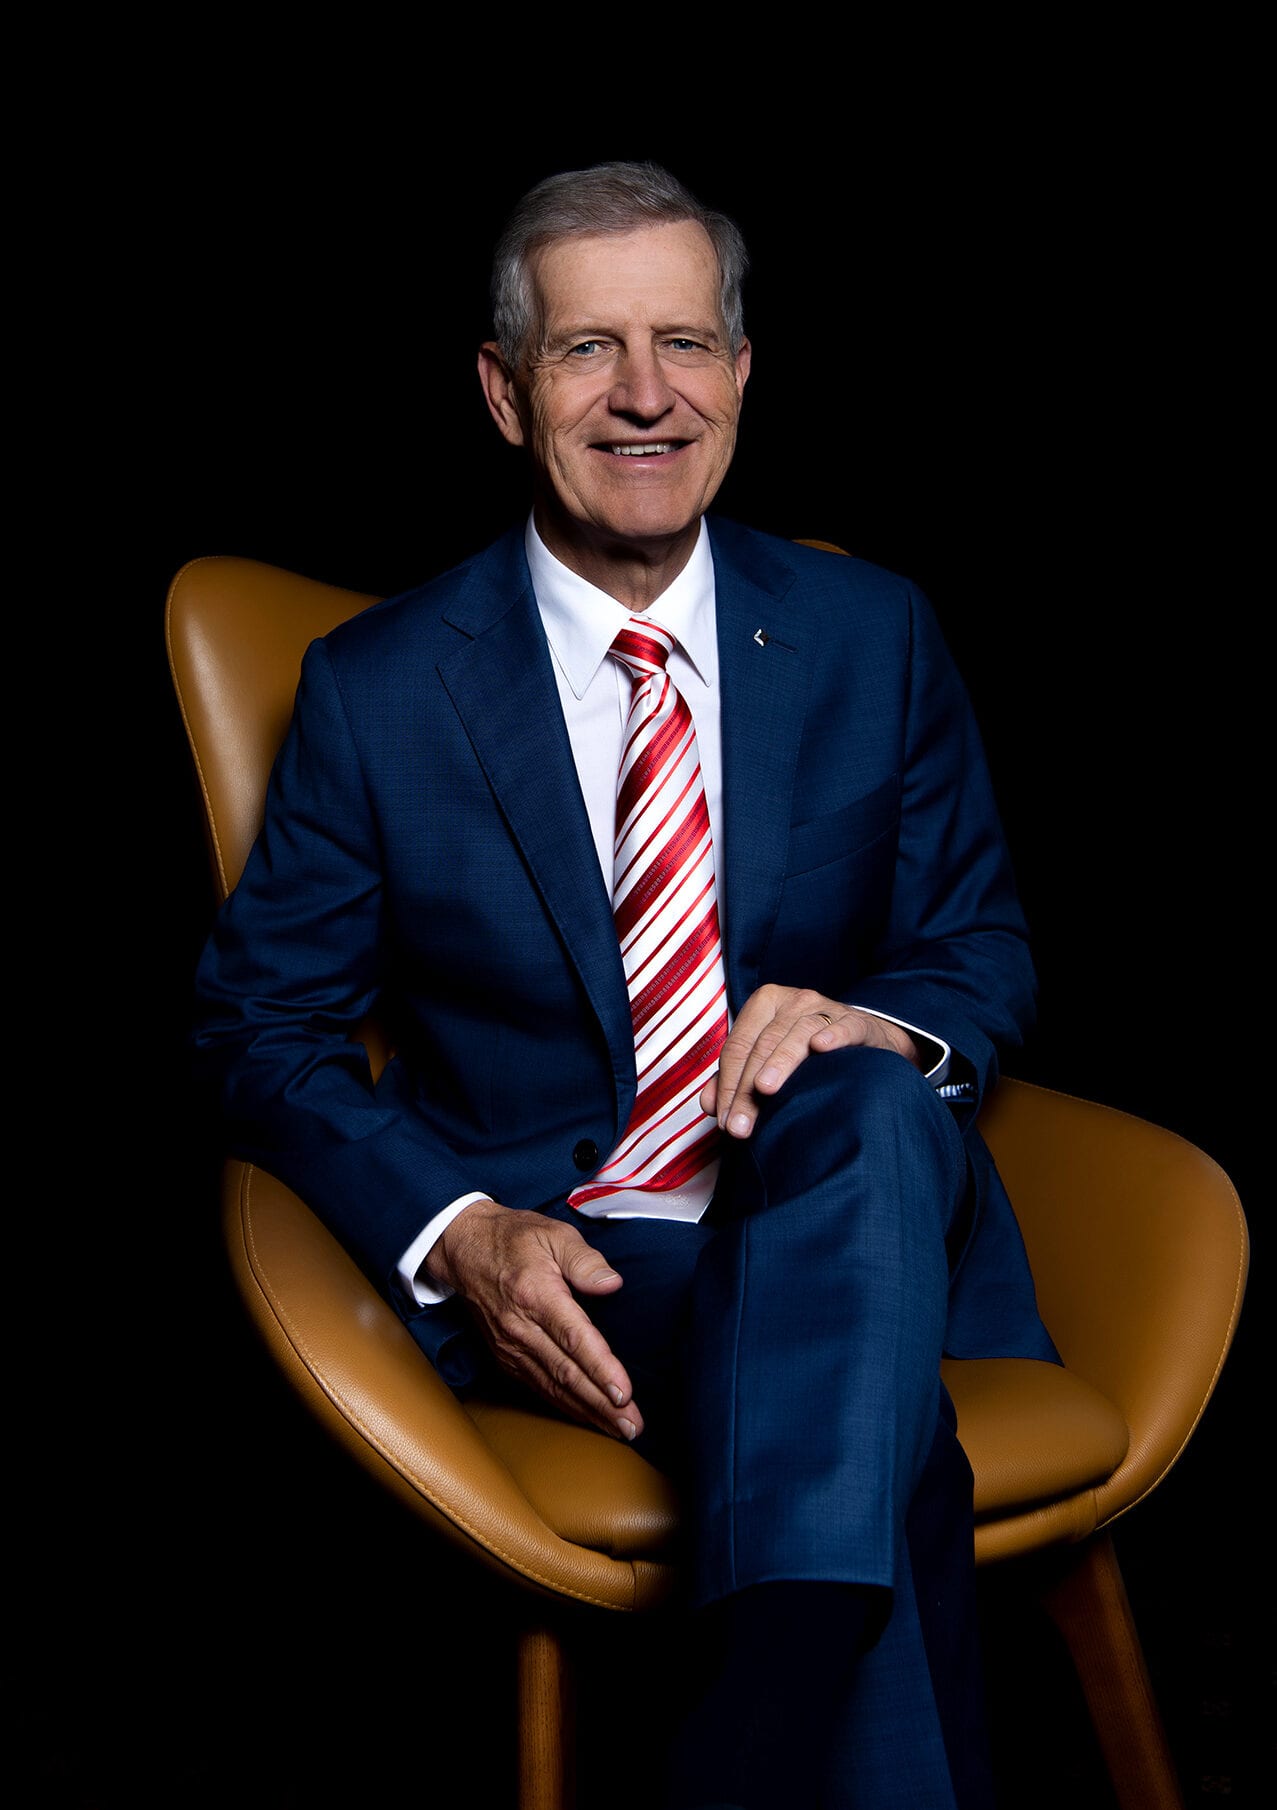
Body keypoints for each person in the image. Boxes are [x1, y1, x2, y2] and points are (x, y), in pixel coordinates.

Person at [192, 161, 1057, 1809]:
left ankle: (740, 1732)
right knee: (889, 1455)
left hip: (851, 1196)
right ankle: (782, 1694)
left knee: (866, 1089)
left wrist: (873, 1016)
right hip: (600, 1261)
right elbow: (257, 1030)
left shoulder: (872, 634)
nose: (645, 394)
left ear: (742, 373)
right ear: (505, 394)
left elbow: (978, 947)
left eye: (684, 342)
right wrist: (464, 1235)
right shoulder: (380, 690)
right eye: (590, 351)